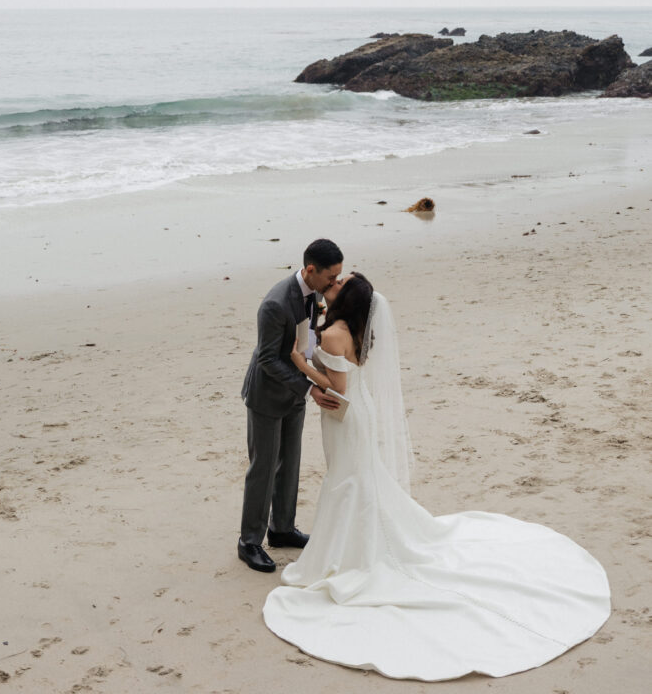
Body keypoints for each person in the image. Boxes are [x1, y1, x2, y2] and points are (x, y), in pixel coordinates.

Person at [263, 274, 611, 681]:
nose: (335, 283)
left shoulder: (336, 334)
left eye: (343, 282)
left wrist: (302, 363)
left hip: (348, 417)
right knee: (357, 479)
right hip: (357, 414)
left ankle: (352, 552)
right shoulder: (354, 330)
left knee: (349, 481)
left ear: (349, 299)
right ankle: (354, 541)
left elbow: (337, 387)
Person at [239, 238, 344, 573]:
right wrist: (310, 387)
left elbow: (310, 338)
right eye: (330, 277)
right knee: (264, 468)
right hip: (267, 397)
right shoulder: (275, 304)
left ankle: (281, 529)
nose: (334, 284)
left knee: (290, 464)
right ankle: (249, 542)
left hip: (295, 395)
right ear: (311, 270)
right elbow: (268, 358)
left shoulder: (314, 294)